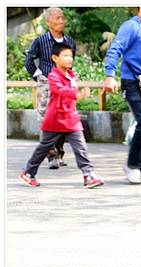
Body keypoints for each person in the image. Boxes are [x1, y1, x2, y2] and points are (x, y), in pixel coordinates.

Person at [19, 43, 104, 189]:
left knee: (80, 146)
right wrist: (78, 95)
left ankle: (88, 175)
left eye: (71, 56)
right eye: (65, 56)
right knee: (44, 148)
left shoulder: (71, 75)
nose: (69, 59)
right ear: (55, 58)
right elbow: (60, 90)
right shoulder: (52, 76)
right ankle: (28, 172)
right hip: (55, 120)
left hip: (71, 119)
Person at [103, 7, 141, 185]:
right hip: (133, 83)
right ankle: (132, 165)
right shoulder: (130, 26)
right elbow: (115, 49)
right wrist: (110, 76)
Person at [24, 7, 76, 169]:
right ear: (48, 22)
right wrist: (39, 77)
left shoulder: (69, 41)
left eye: (62, 18)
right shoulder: (40, 41)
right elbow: (29, 60)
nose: (61, 21)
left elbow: (70, 62)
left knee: (62, 117)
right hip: (46, 82)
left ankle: (59, 153)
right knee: (47, 119)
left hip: (64, 84)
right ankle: (51, 155)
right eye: (57, 18)